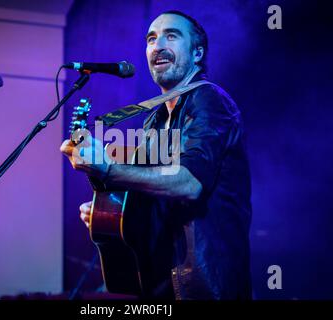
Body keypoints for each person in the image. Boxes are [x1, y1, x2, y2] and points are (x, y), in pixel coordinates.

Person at [60, 10, 252, 300]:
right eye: (151, 39)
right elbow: (146, 190)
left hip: (206, 286)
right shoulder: (155, 120)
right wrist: (107, 209)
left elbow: (189, 183)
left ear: (197, 52)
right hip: (161, 285)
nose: (158, 44)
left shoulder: (209, 100)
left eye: (171, 36)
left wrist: (108, 169)